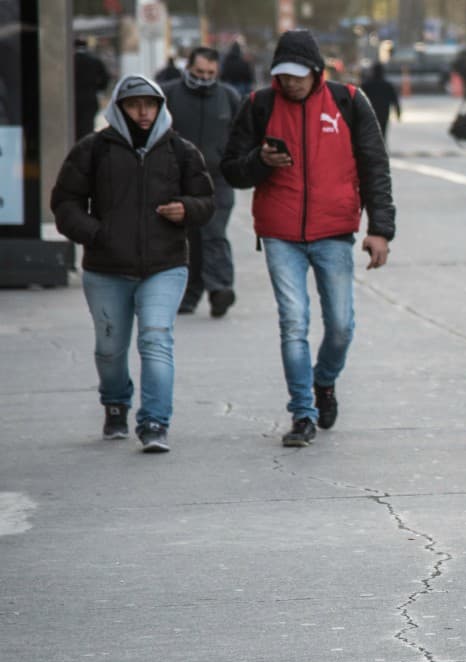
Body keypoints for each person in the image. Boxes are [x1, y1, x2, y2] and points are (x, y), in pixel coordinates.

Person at [221, 29, 395, 448]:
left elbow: (375, 167)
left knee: (339, 326)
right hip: (280, 234)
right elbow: (231, 169)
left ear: (316, 71)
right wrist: (261, 162)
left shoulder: (349, 102)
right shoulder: (259, 105)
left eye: (298, 75)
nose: (291, 82)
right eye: (283, 75)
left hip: (334, 231)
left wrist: (379, 230)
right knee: (293, 322)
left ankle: (324, 382)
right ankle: (302, 413)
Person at [50, 74, 215, 452]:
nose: (143, 112)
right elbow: (64, 203)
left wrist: (186, 209)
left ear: (160, 107)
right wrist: (96, 233)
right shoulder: (93, 149)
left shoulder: (181, 150)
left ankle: (155, 421)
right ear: (119, 108)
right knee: (110, 349)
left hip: (165, 265)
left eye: (150, 104)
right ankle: (115, 402)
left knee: (156, 339)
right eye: (134, 104)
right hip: (106, 268)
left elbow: (206, 201)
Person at [162, 47, 242, 317]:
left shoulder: (228, 97)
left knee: (213, 232)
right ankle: (188, 294)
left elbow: (241, 135)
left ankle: (220, 288)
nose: (204, 77)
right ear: (188, 68)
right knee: (188, 237)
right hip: (178, 179)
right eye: (199, 72)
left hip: (217, 179)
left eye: (210, 73)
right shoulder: (168, 94)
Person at [73, 37, 110, 141]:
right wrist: (97, 88)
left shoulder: (70, 61)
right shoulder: (94, 60)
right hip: (90, 99)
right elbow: (105, 78)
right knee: (87, 127)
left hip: (72, 99)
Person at [360, 62, 401, 140]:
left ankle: (373, 149)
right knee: (382, 133)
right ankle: (380, 149)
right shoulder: (387, 85)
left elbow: (359, 101)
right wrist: (398, 112)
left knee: (370, 134)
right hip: (384, 113)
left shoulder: (366, 85)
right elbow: (394, 100)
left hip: (370, 114)